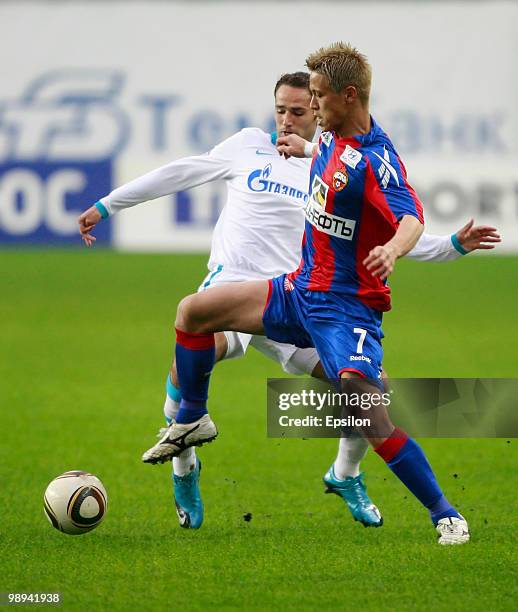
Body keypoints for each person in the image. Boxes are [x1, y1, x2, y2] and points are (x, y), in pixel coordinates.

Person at [79, 64, 499, 541]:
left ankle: (347, 475)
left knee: (370, 396)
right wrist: (109, 204)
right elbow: (182, 172)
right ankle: (186, 464)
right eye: (282, 109)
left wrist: (450, 246)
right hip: (250, 292)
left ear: (324, 105)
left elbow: (396, 224)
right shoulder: (251, 147)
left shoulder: (336, 160)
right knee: (193, 329)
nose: (289, 119)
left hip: (306, 305)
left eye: (301, 108)